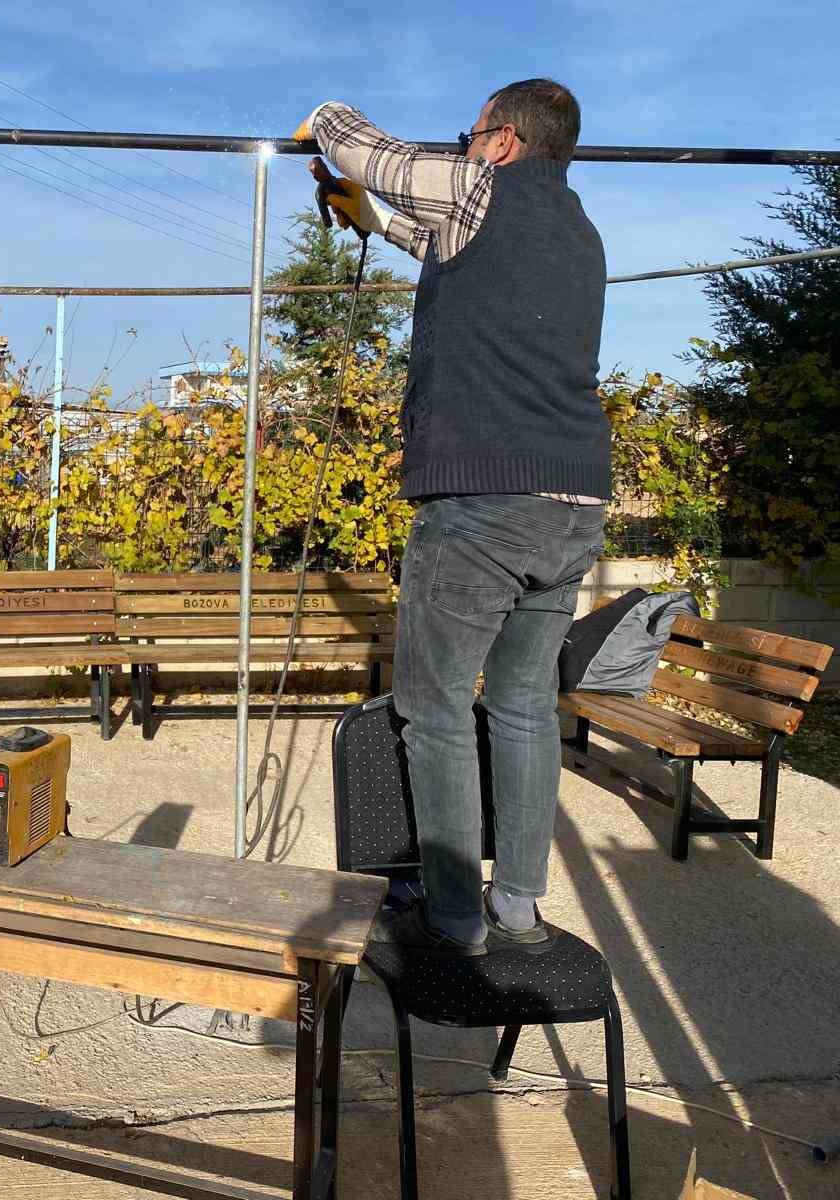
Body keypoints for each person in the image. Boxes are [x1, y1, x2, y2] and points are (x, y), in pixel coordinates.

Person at [299, 80, 609, 955]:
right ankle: (516, 903)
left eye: (468, 135)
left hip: (483, 502)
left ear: (502, 142)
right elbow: (434, 237)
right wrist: (366, 218)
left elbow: (374, 152)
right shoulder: (578, 230)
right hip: (572, 503)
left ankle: (453, 919)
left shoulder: (483, 185)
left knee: (433, 710)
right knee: (520, 707)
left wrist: (326, 116)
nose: (463, 146)